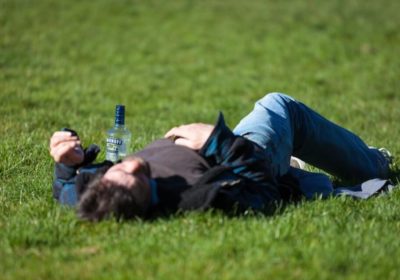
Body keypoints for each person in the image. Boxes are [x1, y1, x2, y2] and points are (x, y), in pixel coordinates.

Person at [49, 92, 393, 221]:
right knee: (278, 106)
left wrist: (67, 161)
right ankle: (375, 163)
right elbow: (261, 190)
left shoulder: (96, 195)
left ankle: (295, 167)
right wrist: (215, 141)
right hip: (245, 154)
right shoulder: (201, 199)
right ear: (145, 202)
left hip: (230, 151)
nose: (134, 164)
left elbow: (66, 189)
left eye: (118, 169)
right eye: (139, 178)